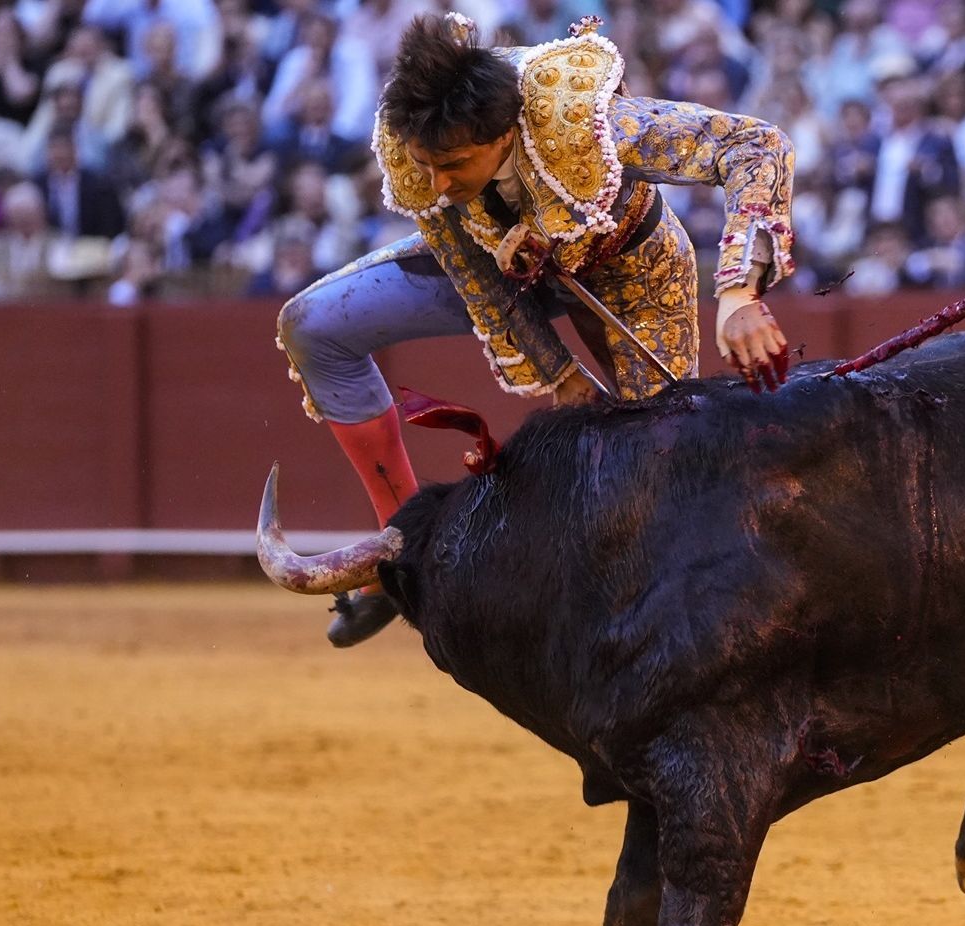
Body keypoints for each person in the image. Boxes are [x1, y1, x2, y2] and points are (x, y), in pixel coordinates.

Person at [276, 13, 795, 646]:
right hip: (515, 275)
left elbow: (756, 145)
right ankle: (400, 559)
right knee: (312, 327)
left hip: (632, 266)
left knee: (657, 465)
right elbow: (471, 268)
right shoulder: (417, 150)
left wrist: (738, 292)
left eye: (455, 164)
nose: (438, 185)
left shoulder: (578, 120)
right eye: (426, 165)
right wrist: (557, 371)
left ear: (503, 135)